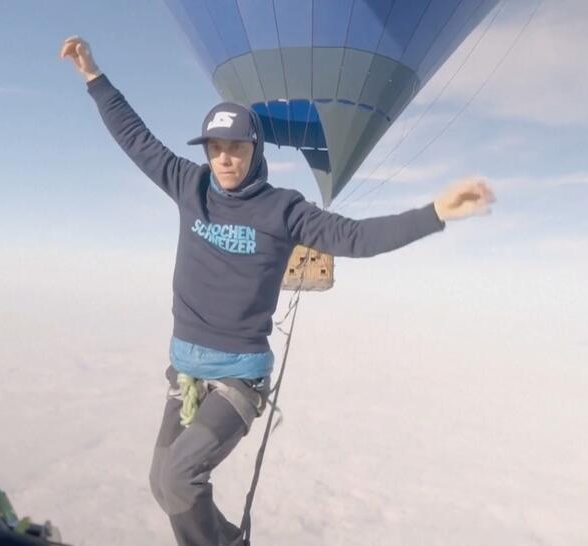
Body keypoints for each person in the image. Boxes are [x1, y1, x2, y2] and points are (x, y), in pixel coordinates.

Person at [60, 36, 495, 546]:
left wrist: (435, 213)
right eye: (216, 149)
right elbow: (136, 139)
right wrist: (93, 75)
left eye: (236, 148)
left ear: (254, 150)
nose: (225, 159)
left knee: (179, 479)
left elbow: (354, 238)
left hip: (237, 379)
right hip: (186, 373)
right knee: (162, 483)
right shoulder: (188, 184)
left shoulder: (282, 209)